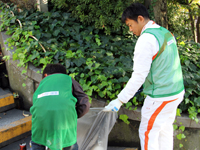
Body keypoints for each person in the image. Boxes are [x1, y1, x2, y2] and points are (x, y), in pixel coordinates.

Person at [103, 3, 185, 150]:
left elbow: (139, 76)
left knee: (148, 133)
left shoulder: (146, 40)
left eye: (130, 25)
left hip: (160, 96)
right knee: (164, 130)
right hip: (176, 92)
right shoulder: (164, 32)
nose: (130, 30)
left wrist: (119, 100)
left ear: (140, 19)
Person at [30, 63, 90, 150]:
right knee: (68, 143)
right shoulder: (68, 80)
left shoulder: (42, 84)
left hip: (40, 125)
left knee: (38, 142)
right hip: (64, 124)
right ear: (63, 74)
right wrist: (73, 116)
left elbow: (36, 105)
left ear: (45, 75)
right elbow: (85, 104)